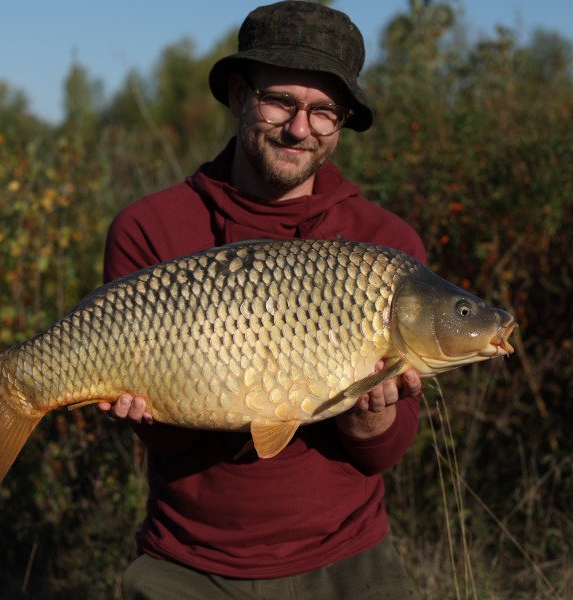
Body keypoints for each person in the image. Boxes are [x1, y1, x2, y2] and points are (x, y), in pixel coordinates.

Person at [98, 2, 426, 598]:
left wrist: (370, 414)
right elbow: (172, 445)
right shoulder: (151, 228)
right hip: (188, 562)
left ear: (343, 119)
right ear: (237, 94)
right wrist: (148, 415)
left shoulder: (385, 248)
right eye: (280, 101)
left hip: (346, 559)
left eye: (324, 111)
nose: (300, 129)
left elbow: (383, 455)